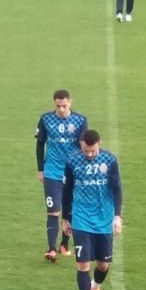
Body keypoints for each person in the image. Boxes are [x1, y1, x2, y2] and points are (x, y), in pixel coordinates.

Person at [62, 130, 123, 290]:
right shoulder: (72, 162)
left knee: (103, 265)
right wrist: (65, 219)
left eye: (93, 151)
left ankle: (95, 287)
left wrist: (117, 216)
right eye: (86, 150)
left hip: (104, 219)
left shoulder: (109, 160)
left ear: (99, 144)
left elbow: (117, 189)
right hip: (81, 219)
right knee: (83, 265)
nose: (89, 154)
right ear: (81, 144)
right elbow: (67, 191)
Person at [35, 90, 89, 262]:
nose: (61, 109)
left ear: (70, 102)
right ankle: (51, 249)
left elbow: (84, 147)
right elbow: (40, 144)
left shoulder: (80, 120)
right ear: (54, 104)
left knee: (70, 210)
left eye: (64, 105)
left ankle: (64, 244)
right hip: (52, 172)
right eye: (58, 106)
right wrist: (40, 169)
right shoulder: (46, 119)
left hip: (72, 173)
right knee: (53, 211)